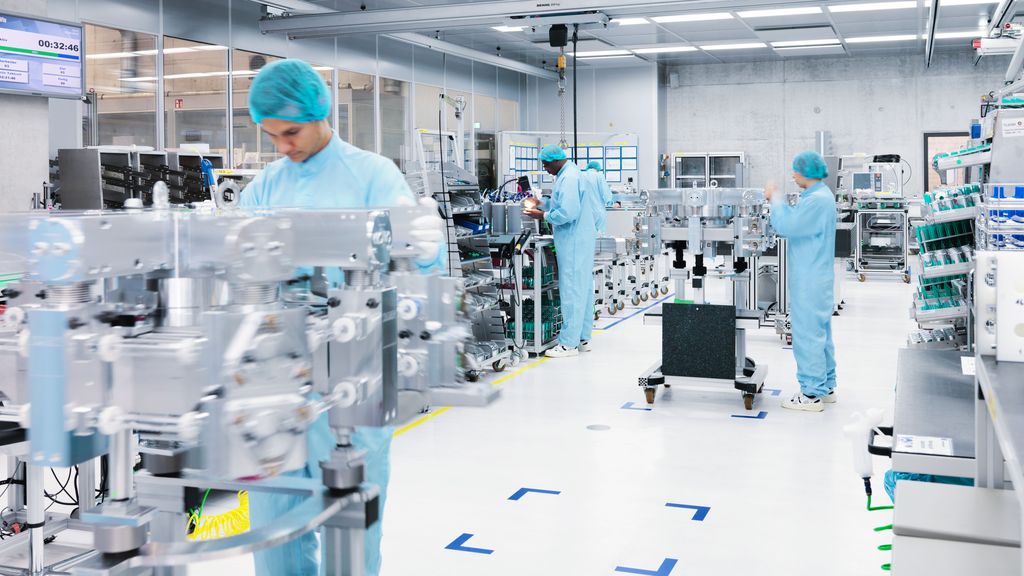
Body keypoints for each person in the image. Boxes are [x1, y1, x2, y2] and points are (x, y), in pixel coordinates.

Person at [239, 58, 444, 576]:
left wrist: (423, 243)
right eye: (272, 136)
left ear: (321, 114)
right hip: (275, 368)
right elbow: (237, 258)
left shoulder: (372, 174)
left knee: (350, 513)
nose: (284, 147)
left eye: (292, 132)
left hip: (352, 363)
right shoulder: (265, 185)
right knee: (273, 519)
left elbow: (417, 263)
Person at [765, 151, 838, 412]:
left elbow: (787, 225)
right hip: (816, 274)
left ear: (807, 172)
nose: (793, 175)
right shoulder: (819, 196)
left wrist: (775, 198)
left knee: (807, 335)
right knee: (820, 333)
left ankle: (810, 394)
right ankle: (826, 386)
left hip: (810, 277)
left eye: (795, 171)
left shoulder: (817, 200)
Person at [523, 145, 597, 358]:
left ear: (556, 161)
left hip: (573, 240)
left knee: (572, 289)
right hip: (580, 239)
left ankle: (568, 344)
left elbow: (568, 212)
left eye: (546, 165)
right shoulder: (571, 173)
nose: (545, 169)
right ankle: (582, 338)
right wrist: (542, 203)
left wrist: (542, 216)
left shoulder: (569, 178)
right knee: (582, 289)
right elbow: (562, 203)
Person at [581, 160, 615, 233]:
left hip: (584, 213)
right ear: (598, 168)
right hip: (598, 211)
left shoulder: (581, 176)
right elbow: (605, 192)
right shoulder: (599, 176)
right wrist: (610, 203)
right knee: (599, 238)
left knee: (586, 236)